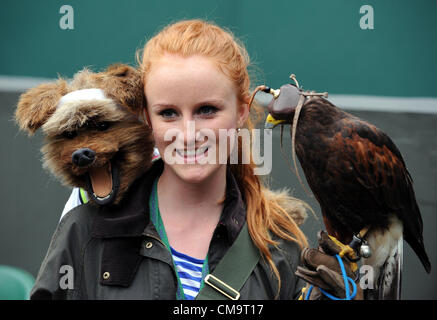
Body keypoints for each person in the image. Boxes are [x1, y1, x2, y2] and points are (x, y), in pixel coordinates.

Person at [30, 19, 354, 300]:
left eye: (207, 110)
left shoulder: (279, 245)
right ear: (147, 118)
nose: (187, 134)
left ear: (241, 112)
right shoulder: (85, 231)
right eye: (168, 113)